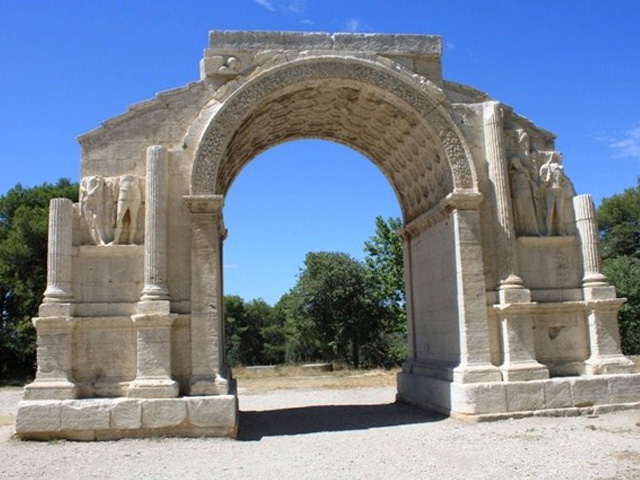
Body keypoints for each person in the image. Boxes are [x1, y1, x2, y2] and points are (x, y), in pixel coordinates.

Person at [510, 157, 540, 236]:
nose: (516, 165)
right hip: (517, 194)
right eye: (514, 164)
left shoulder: (524, 171)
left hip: (526, 192)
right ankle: (522, 231)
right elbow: (513, 185)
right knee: (520, 214)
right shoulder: (514, 173)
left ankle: (533, 231)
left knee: (529, 212)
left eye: (516, 163)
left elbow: (530, 181)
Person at [539, 152, 566, 236]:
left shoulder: (560, 168)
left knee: (559, 213)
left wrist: (562, 181)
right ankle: (548, 232)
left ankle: (560, 232)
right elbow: (541, 179)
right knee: (549, 212)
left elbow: (564, 180)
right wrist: (547, 179)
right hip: (550, 190)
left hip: (559, 190)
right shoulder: (545, 167)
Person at [114, 175, 142, 244]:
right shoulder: (120, 179)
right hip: (123, 193)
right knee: (119, 216)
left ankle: (131, 240)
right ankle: (116, 240)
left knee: (133, 218)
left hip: (135, 194)